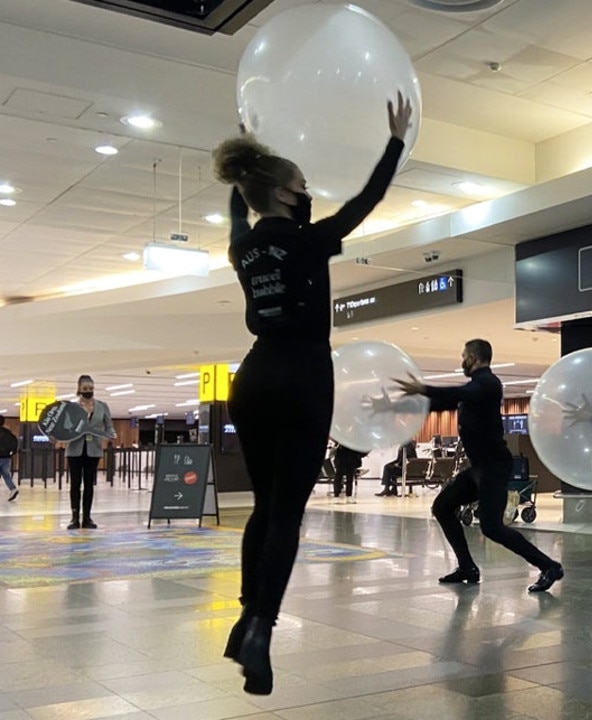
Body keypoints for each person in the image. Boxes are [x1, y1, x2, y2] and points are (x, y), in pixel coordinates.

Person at [211, 92, 412, 695]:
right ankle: (260, 631)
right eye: (300, 184)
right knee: (286, 515)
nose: (307, 191)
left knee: (264, 506)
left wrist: (249, 162)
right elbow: (368, 201)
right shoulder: (310, 241)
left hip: (251, 377)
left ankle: (249, 611)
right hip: (302, 378)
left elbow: (237, 215)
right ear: (280, 193)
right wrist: (395, 140)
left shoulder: (240, 247)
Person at [394, 339, 565, 593]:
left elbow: (459, 394)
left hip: (494, 467)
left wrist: (422, 387)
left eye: (463, 356)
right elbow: (438, 404)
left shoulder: (488, 384)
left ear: (473, 358)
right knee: (442, 506)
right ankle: (467, 567)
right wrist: (390, 406)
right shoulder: (474, 389)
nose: (461, 360)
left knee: (492, 527)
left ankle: (549, 566)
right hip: (479, 469)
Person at [63, 375, 116, 529]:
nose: (88, 391)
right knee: (75, 484)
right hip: (74, 449)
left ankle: (87, 518)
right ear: (79, 389)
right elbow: (65, 427)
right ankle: (74, 518)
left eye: (91, 389)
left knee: (89, 484)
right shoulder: (72, 407)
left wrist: (110, 435)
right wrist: (58, 437)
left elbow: (109, 426)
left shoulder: (102, 406)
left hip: (94, 450)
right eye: (85, 389)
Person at [0, 415, 18, 502]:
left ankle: (13, 489)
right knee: (6, 474)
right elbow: (15, 442)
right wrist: (12, 452)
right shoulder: (8, 433)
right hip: (6, 457)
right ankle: (13, 489)